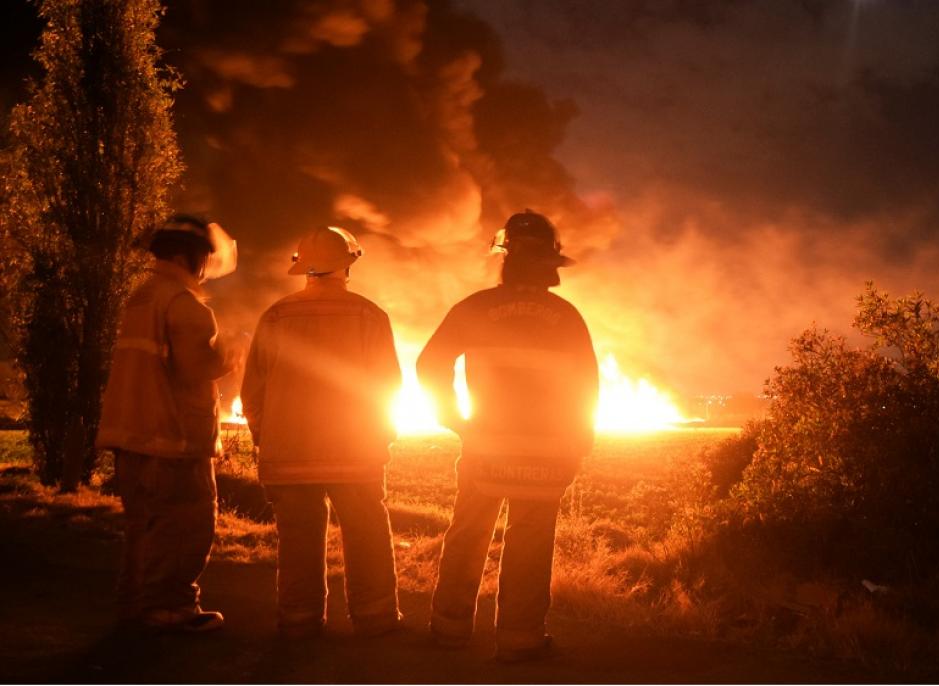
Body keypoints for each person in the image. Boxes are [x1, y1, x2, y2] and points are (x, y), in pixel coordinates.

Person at [418, 210, 599, 662]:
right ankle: (521, 640)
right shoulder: (566, 316)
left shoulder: (475, 307)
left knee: (468, 532)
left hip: (486, 444)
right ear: (550, 265)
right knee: (531, 541)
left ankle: (449, 631)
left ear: (505, 259)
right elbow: (587, 387)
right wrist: (579, 442)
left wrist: (453, 415)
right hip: (547, 449)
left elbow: (429, 364)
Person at [240, 226, 403, 639]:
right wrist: (382, 434)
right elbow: (387, 384)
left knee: (298, 538)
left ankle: (299, 619)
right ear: (348, 264)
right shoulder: (369, 315)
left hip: (289, 452)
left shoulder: (276, 315)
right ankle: (376, 617)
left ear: (303, 269)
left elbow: (253, 389)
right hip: (355, 451)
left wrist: (265, 437)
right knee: (366, 531)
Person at [97, 214, 238, 633]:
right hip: (172, 439)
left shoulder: (141, 297)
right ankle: (171, 608)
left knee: (144, 527)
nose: (203, 268)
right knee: (185, 527)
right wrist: (231, 352)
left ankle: (134, 605)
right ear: (185, 256)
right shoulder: (184, 304)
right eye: (200, 258)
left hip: (132, 435)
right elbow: (196, 369)